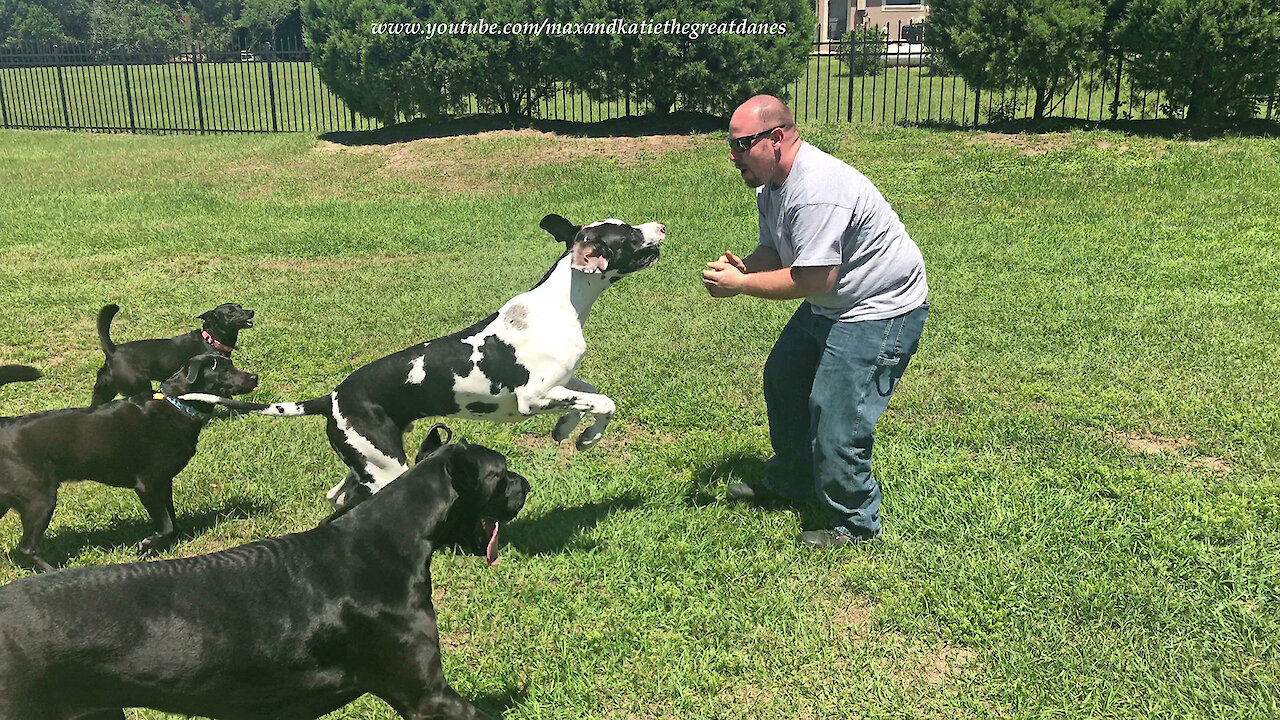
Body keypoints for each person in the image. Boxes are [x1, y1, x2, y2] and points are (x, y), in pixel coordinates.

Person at [702, 95, 929, 549]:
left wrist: (740, 287)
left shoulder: (816, 189)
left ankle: (854, 523)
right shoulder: (772, 186)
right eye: (731, 145)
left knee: (835, 413)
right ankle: (794, 479)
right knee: (785, 377)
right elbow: (778, 252)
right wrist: (746, 267)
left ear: (777, 138)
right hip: (833, 302)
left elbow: (813, 276)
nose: (733, 156)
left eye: (742, 144)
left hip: (879, 307)